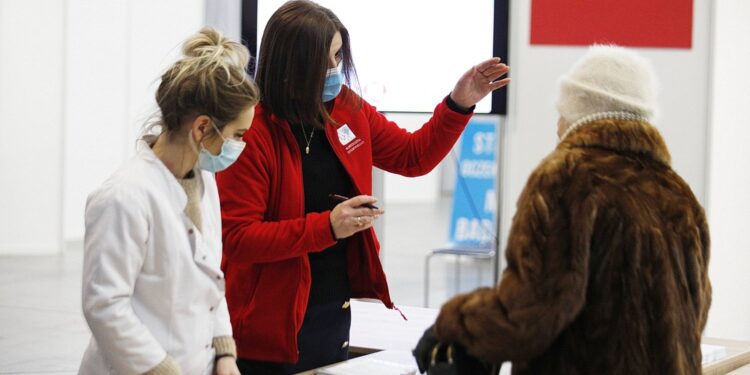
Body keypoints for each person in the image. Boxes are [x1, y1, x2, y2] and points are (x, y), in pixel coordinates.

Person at [215, 0, 510, 373]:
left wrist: (459, 103)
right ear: (292, 65)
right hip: (266, 334)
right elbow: (239, 238)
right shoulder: (253, 131)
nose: (334, 70)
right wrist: (327, 227)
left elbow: (412, 156)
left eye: (338, 57)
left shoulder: (347, 109)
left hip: (331, 317)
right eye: (324, 62)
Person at [413, 45, 712, 374]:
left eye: (561, 112)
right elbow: (697, 307)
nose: (557, 126)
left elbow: (533, 308)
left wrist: (453, 323)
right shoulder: (677, 192)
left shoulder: (568, 176)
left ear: (579, 112)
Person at [78, 27, 259, 375]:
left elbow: (211, 278)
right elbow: (104, 306)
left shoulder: (204, 182)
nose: (241, 146)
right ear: (203, 128)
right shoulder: (123, 197)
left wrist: (224, 354)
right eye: (238, 135)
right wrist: (162, 369)